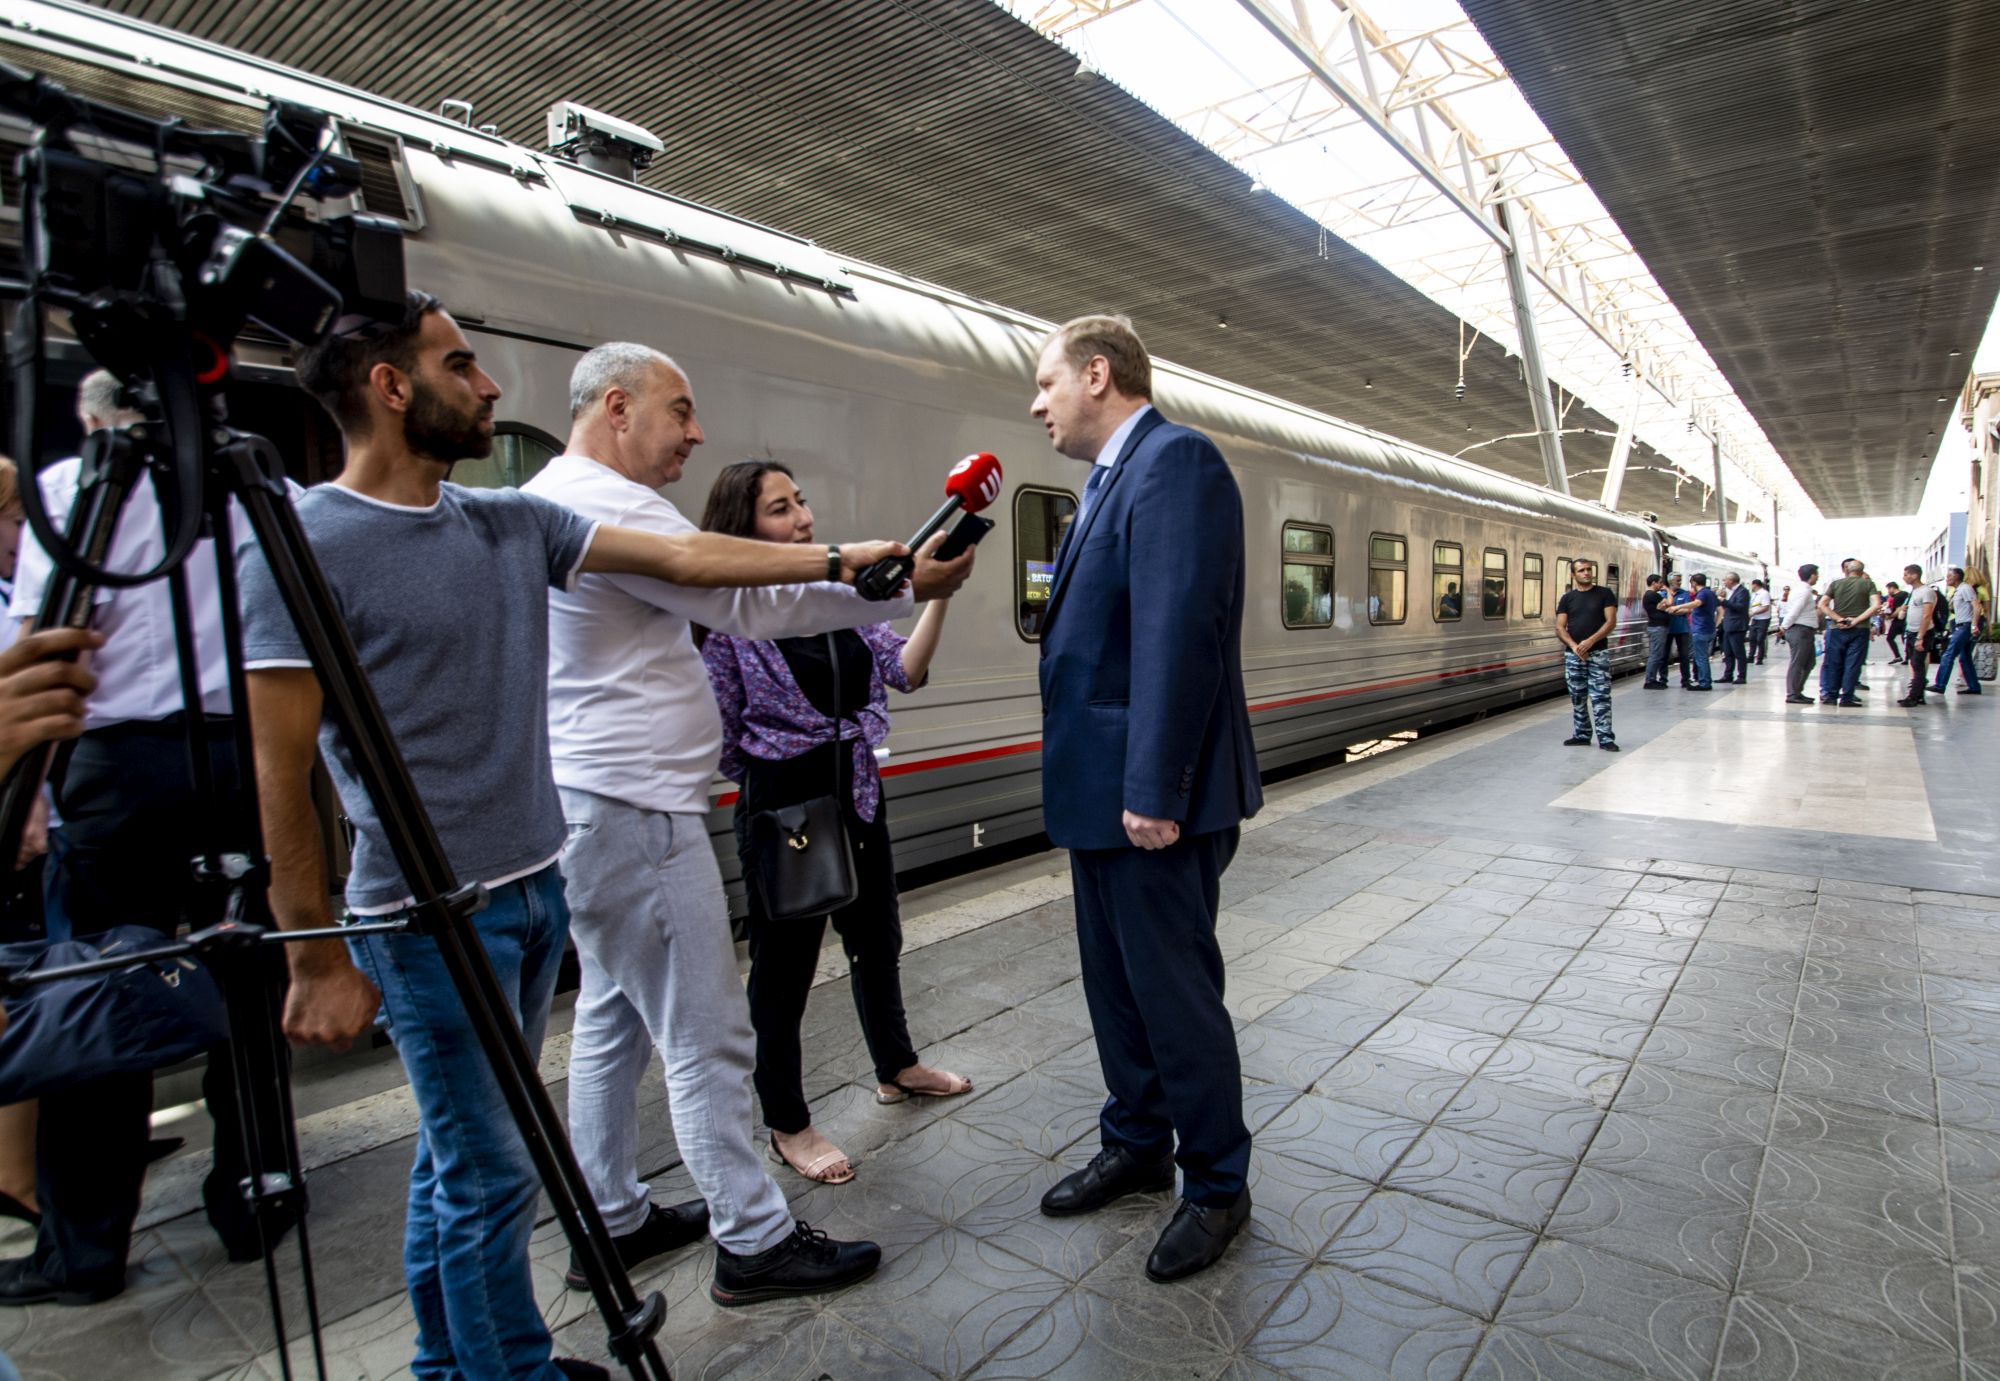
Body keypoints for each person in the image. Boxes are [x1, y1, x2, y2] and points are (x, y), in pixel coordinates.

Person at [241, 292, 908, 1380]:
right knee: (490, 1165)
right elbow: (279, 768)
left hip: (530, 882)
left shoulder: (505, 520)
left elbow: (693, 565)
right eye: (461, 364)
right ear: (389, 385)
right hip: (421, 911)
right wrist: (311, 951)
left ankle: (449, 1364)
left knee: (467, 1159)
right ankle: (508, 1366)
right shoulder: (302, 543)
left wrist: (843, 562)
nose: (493, 387)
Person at [525, 343, 961, 1304]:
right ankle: (754, 1237)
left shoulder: (572, 494)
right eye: (680, 409)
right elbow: (741, 596)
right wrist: (866, 565)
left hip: (605, 802)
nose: (697, 431)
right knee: (708, 1030)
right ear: (616, 406)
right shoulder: (601, 499)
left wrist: (891, 587)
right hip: (638, 807)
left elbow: (753, 603)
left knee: (610, 1020)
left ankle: (612, 1215)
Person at [1, 374, 296, 1307]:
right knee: (250, 983)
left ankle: (84, 1246)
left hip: (115, 765)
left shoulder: (68, 493)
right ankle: (256, 1195)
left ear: (95, 422)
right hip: (239, 756)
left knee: (98, 993)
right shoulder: (256, 484)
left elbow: (48, 643)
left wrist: (29, 792)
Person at [1026, 315, 1260, 1283]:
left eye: (1045, 384)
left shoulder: (1175, 463)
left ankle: (1214, 1183)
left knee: (1173, 995)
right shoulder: (1109, 481)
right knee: (1114, 986)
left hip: (1146, 797)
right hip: (1097, 792)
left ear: (1096, 373)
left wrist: (1154, 787)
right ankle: (1134, 1138)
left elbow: (1177, 631)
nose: (1035, 405)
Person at [702, 459, 974, 1191]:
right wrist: (780, 770)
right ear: (745, 528)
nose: (804, 518)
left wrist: (939, 594)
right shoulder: (733, 618)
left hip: (855, 785)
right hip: (785, 797)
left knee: (875, 934)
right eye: (780, 508)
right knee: (784, 969)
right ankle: (788, 1121)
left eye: (802, 502)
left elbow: (904, 671)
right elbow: (724, 732)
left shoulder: (837, 599)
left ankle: (896, 1066)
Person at [1556, 559, 1620, 750]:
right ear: (1573, 575)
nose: (1586, 573)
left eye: (1589, 570)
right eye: (1581, 570)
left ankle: (1606, 738)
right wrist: (1575, 647)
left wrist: (1590, 641)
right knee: (1577, 696)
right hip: (1574, 655)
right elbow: (1560, 627)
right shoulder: (1567, 599)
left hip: (1598, 653)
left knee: (1601, 697)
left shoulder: (1605, 594)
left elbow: (1610, 622)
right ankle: (1582, 734)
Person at [1818, 558, 1880, 706]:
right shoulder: (1868, 584)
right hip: (1859, 630)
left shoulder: (1836, 584)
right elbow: (1876, 605)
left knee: (1834, 663)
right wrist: (1856, 620)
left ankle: (1831, 696)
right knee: (1853, 664)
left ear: (1848, 570)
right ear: (1862, 571)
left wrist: (1838, 619)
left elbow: (1822, 604)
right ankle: (1847, 697)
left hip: (1837, 629)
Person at [1931, 566, 1983, 695]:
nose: (1947, 579)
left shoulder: (1965, 588)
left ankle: (1940, 684)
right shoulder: (1959, 590)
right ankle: (1974, 686)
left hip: (1965, 626)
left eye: (1949, 576)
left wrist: (1973, 626)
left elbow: (1977, 606)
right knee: (1964, 658)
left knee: (1948, 655)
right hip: (1962, 625)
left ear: (1956, 577)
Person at [1898, 565, 1940, 706]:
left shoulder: (1926, 592)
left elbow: (1927, 615)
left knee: (1918, 664)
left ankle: (1914, 697)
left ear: (1915, 575)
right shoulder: (1914, 592)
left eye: (1906, 574)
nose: (1904, 577)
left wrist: (1920, 637)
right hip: (1911, 632)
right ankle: (1918, 695)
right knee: (1914, 663)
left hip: (1922, 633)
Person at [1780, 564, 1821, 704]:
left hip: (1805, 630)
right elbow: (1794, 611)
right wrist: (1783, 627)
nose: (1818, 576)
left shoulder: (1803, 590)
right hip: (1800, 630)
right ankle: (1792, 694)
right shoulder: (1803, 591)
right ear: (1812, 575)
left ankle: (1797, 691)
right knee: (1798, 663)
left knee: (1809, 662)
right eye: (1817, 574)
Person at [1677, 573, 1719, 690]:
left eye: (1691, 583)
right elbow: (1720, 609)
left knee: (1701, 658)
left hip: (1701, 630)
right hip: (1708, 629)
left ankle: (1704, 683)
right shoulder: (1710, 593)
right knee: (1702, 657)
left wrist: (1677, 607)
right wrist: (1716, 624)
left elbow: (1696, 604)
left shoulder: (1702, 593)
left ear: (1694, 583)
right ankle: (1705, 681)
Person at [1640, 574, 1670, 688]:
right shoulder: (1652, 595)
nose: (1661, 585)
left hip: (1656, 627)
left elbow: (1662, 607)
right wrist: (1668, 590)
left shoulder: (1650, 595)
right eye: (1660, 582)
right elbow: (1669, 602)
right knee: (1656, 654)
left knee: (1656, 654)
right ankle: (1650, 681)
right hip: (1657, 627)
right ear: (1653, 583)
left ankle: (1651, 679)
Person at [1719, 572, 1750, 684]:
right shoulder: (1731, 592)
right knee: (1727, 652)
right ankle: (1728, 675)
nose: (1724, 582)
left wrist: (1724, 601)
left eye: (1725, 580)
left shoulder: (1743, 592)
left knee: (1739, 652)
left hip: (1737, 626)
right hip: (1729, 626)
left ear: (1731, 581)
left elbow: (1740, 607)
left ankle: (1741, 676)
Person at [1663, 573, 1692, 687]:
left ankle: (1685, 679)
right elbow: (1662, 609)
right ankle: (1663, 679)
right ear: (1670, 581)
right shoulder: (1663, 593)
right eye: (1678, 580)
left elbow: (1688, 609)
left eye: (1680, 580)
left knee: (1684, 655)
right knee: (1664, 655)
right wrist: (1678, 610)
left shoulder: (1684, 593)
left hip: (1682, 628)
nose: (1680, 582)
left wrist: (1672, 610)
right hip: (1667, 629)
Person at [1747, 578, 1773, 665]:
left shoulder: (1764, 594)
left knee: (1760, 639)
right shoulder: (1755, 594)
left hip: (1763, 619)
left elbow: (1766, 607)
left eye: (1752, 585)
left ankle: (1760, 658)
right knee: (1752, 638)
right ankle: (1750, 657)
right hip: (1755, 619)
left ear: (1755, 585)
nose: (1751, 587)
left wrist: (1753, 613)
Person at [1882, 582, 1907, 663]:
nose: (1888, 591)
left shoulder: (1898, 596)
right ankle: (1907, 658)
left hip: (1899, 620)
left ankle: (1898, 656)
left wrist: (1890, 616)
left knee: (1890, 638)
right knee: (1905, 639)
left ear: (1892, 587)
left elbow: (1898, 609)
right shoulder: (1905, 594)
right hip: (1906, 620)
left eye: (1888, 589)